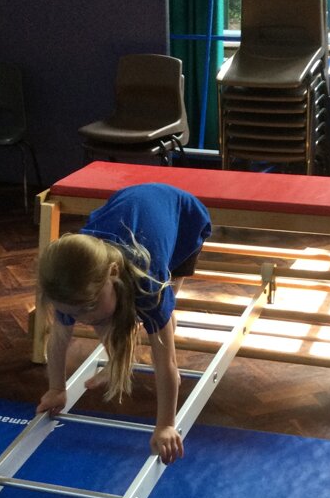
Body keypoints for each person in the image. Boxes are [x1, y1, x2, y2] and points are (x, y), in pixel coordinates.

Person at [36, 183, 212, 464]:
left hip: (182, 218)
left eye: (87, 307)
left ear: (114, 273)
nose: (83, 318)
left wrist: (166, 425)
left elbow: (167, 364)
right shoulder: (71, 287)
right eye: (74, 312)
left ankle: (154, 326)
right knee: (106, 315)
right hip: (124, 209)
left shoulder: (149, 285)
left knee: (162, 313)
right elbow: (58, 340)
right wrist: (57, 389)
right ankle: (117, 360)